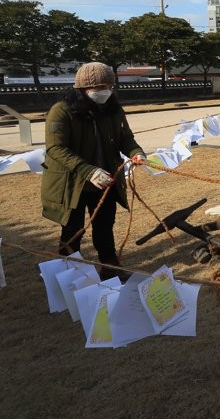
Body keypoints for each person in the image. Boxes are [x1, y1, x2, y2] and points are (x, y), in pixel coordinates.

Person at [41, 62, 147, 280]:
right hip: (72, 183)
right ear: (83, 88)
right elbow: (55, 148)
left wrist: (136, 152)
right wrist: (87, 171)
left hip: (106, 180)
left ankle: (110, 266)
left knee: (104, 226)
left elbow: (125, 138)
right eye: (100, 86)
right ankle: (68, 272)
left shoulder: (113, 108)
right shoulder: (61, 111)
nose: (106, 90)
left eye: (109, 85)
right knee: (73, 229)